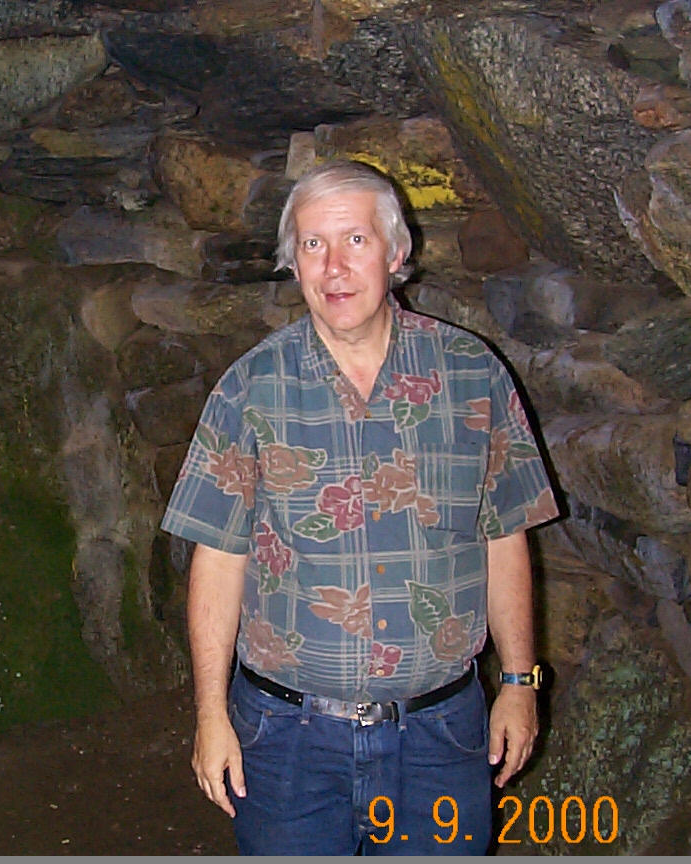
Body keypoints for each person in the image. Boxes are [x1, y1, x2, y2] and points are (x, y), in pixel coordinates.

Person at [160, 160, 559, 855]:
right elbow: (218, 559)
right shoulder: (250, 387)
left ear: (396, 253)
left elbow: (504, 537)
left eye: (355, 240)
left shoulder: (473, 374)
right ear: (293, 264)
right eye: (313, 244)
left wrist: (520, 683)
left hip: (440, 738)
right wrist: (210, 714)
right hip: (286, 742)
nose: (334, 267)